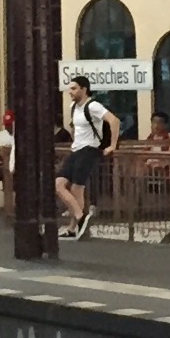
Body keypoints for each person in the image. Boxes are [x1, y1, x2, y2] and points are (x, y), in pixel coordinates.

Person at [55, 74, 118, 239]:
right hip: (76, 149)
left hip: (89, 149)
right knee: (59, 184)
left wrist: (112, 145)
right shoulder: (73, 107)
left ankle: (73, 227)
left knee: (77, 189)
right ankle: (80, 217)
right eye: (70, 88)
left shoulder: (93, 106)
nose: (70, 91)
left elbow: (114, 120)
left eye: (74, 88)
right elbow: (77, 128)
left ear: (84, 89)